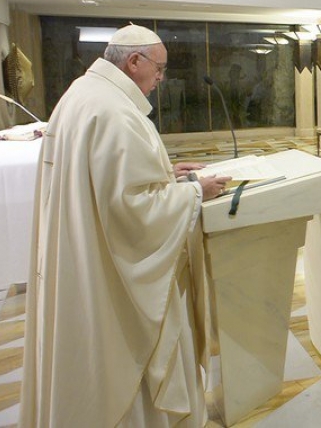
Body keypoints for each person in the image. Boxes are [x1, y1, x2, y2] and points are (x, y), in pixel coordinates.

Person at [20, 24, 231, 427]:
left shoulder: (84, 95)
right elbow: (134, 214)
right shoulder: (114, 111)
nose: (161, 78)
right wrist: (194, 193)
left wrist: (167, 173)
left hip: (83, 257)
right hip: (111, 280)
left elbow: (102, 183)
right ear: (134, 62)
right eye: (159, 68)